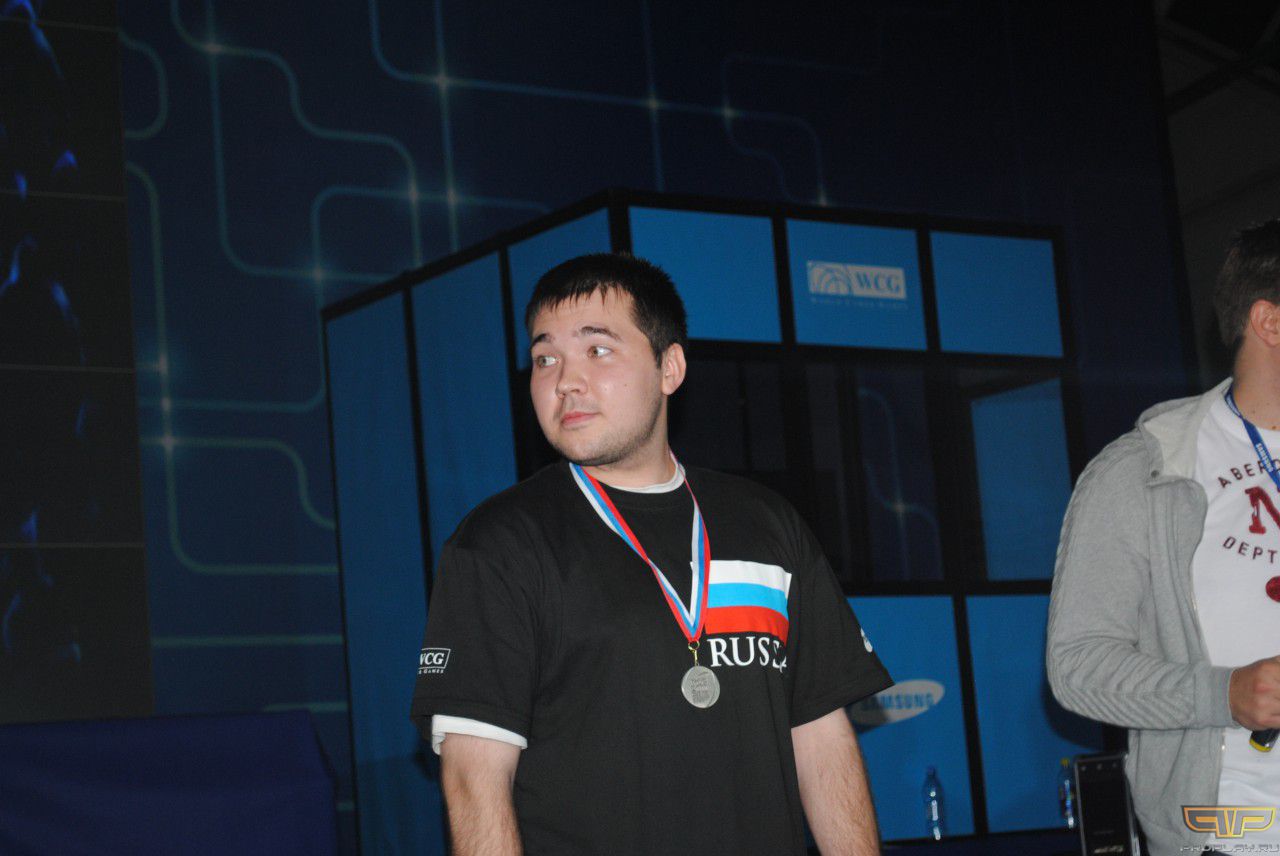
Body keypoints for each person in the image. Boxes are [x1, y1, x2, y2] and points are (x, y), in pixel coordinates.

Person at [410, 253, 892, 855]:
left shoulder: (767, 524)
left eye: (597, 350)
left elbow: (821, 737)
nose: (565, 381)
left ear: (670, 368)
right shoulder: (499, 543)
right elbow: (474, 780)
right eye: (545, 358)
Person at [1047, 219, 1280, 856]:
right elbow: (1077, 666)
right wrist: (1223, 694)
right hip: (1235, 838)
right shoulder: (1148, 469)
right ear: (1269, 321)